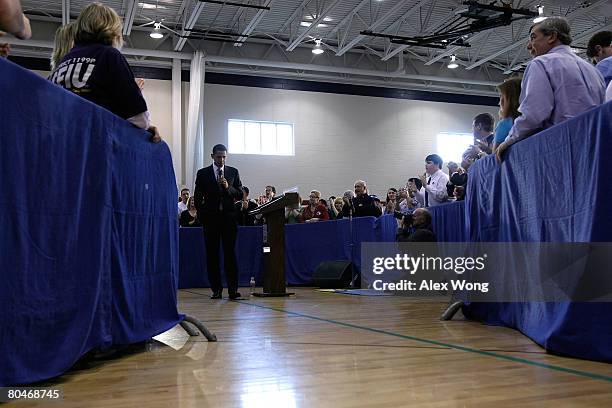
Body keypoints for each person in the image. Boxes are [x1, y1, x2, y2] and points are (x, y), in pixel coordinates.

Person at [48, 2, 161, 143]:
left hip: (56, 139)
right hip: (90, 143)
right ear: (113, 31)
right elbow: (140, 120)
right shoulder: (109, 55)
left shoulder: (64, 62)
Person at [497, 17, 605, 162]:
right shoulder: (593, 70)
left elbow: (534, 114)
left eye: (533, 37)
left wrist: (509, 140)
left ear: (552, 37)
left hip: (560, 149)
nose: (529, 46)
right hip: (595, 148)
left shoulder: (541, 64)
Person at [194, 144, 244, 300]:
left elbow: (240, 193)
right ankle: (216, 289)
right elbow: (197, 197)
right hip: (211, 221)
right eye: (218, 157)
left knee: (230, 255)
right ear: (212, 156)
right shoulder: (203, 174)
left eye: (224, 157)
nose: (221, 159)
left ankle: (233, 290)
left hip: (229, 220)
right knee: (212, 255)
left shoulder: (233, 172)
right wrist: (203, 216)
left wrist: (228, 187)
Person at [493, 77, 522, 151]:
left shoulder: (504, 124)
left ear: (506, 100)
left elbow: (495, 157)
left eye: (501, 97)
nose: (499, 103)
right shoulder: (530, 123)